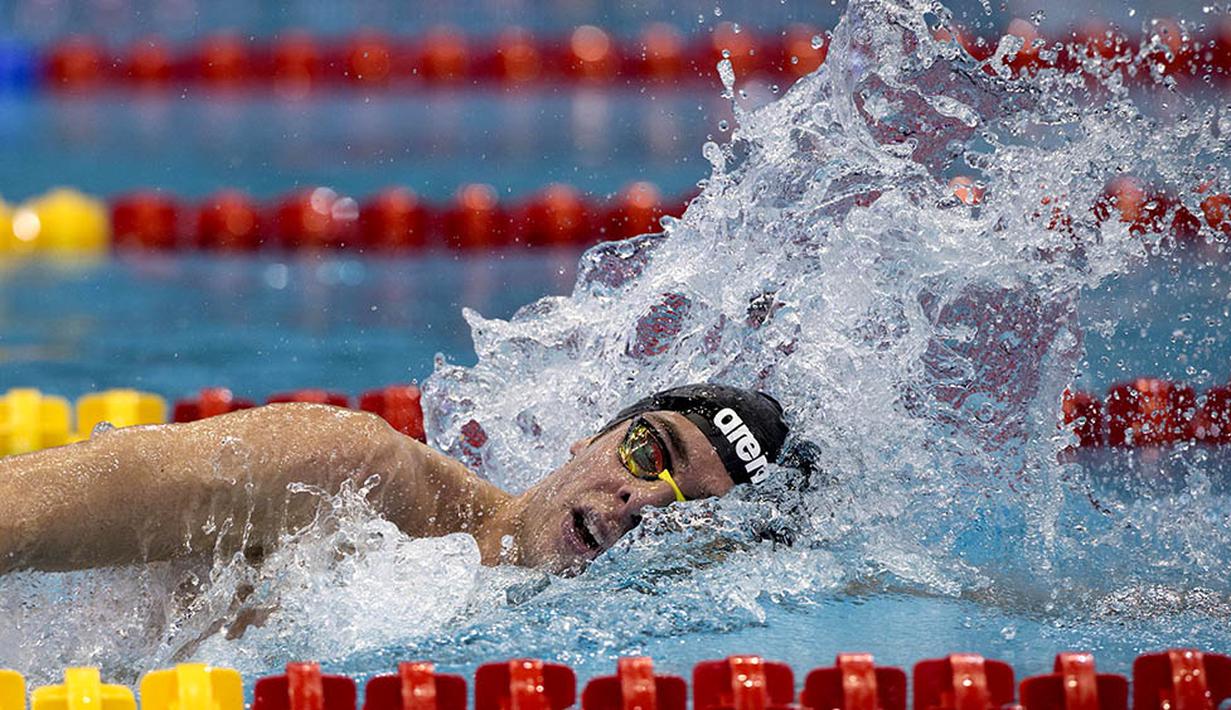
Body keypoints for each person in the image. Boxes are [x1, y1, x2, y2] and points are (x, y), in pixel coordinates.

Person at [0, 384, 789, 576]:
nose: (642, 499)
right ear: (596, 432)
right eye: (650, 456)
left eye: (688, 511)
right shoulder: (348, 472)